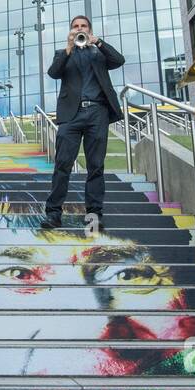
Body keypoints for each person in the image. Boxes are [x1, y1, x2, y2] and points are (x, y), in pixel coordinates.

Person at [42, 15, 125, 230]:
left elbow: (119, 60)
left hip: (97, 112)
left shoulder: (98, 53)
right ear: (70, 31)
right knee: (62, 165)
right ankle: (53, 214)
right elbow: (53, 73)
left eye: (83, 26)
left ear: (89, 29)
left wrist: (98, 42)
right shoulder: (63, 54)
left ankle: (94, 214)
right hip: (71, 115)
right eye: (76, 27)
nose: (80, 29)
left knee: (95, 166)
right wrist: (69, 48)